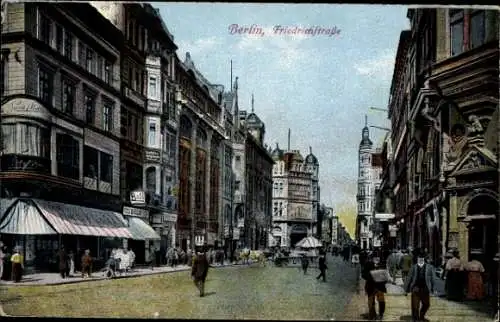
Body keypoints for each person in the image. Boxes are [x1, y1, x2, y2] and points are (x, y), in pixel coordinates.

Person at [404, 251, 435, 322]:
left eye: (422, 258)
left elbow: (433, 278)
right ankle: (416, 319)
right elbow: (409, 278)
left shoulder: (430, 267)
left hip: (425, 288)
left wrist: (433, 288)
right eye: (419, 258)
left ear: (424, 259)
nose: (420, 259)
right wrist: (406, 289)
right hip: (416, 288)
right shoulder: (413, 267)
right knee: (415, 306)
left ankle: (421, 315)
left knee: (426, 304)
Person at [362, 254, 391, 320]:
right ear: (372, 259)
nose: (376, 259)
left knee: (381, 301)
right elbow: (363, 274)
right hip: (370, 285)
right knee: (371, 301)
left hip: (380, 286)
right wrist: (370, 276)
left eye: (378, 258)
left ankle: (381, 314)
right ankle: (372, 314)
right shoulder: (368, 264)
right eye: (375, 258)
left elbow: (386, 275)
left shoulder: (382, 265)